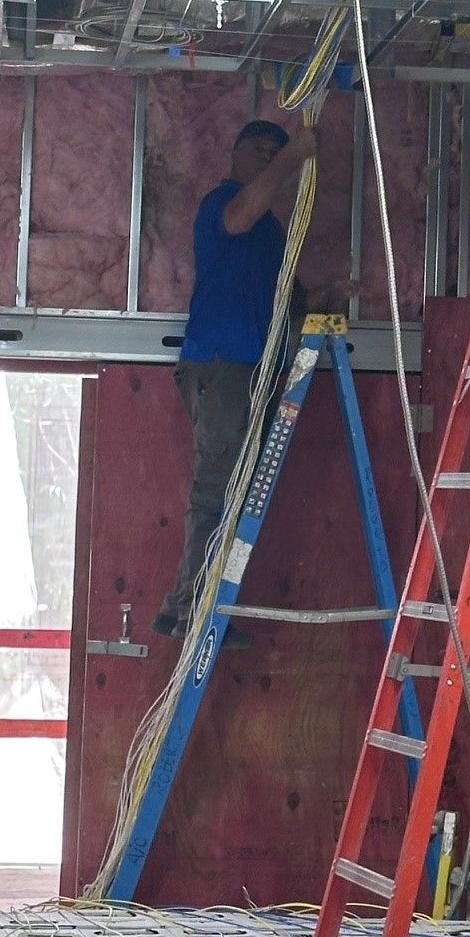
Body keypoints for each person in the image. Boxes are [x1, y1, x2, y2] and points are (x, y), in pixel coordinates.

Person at [154, 119, 318, 639]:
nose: (269, 158)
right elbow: (241, 215)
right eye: (260, 151)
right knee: (219, 488)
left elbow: (280, 299)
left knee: (239, 491)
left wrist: (325, 298)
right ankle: (192, 609)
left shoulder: (270, 230)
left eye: (275, 152)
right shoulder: (223, 205)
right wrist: (293, 157)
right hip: (223, 368)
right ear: (235, 154)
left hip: (253, 370)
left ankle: (195, 605)